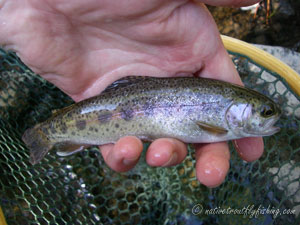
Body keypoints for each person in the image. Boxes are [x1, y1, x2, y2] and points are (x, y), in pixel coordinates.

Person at [0, 0, 263, 187]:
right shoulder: (220, 123)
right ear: (240, 108)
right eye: (264, 112)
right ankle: (46, 134)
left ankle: (48, 133)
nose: (267, 118)